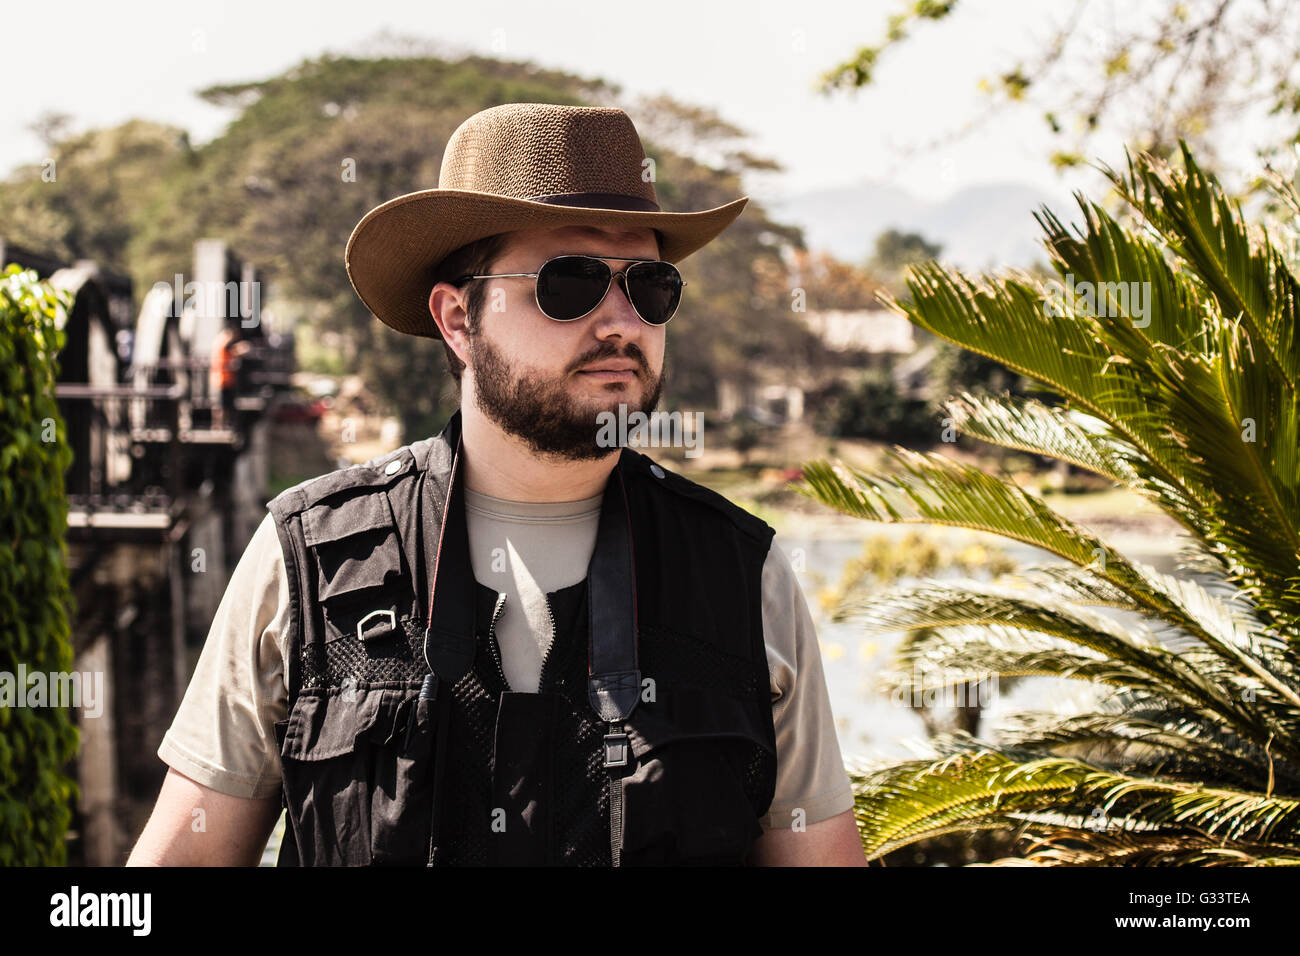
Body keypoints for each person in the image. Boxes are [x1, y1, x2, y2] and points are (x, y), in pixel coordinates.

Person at [128, 102, 866, 867]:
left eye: (649, 286)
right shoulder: (309, 561)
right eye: (571, 282)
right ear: (457, 317)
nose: (620, 321)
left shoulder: (744, 575)